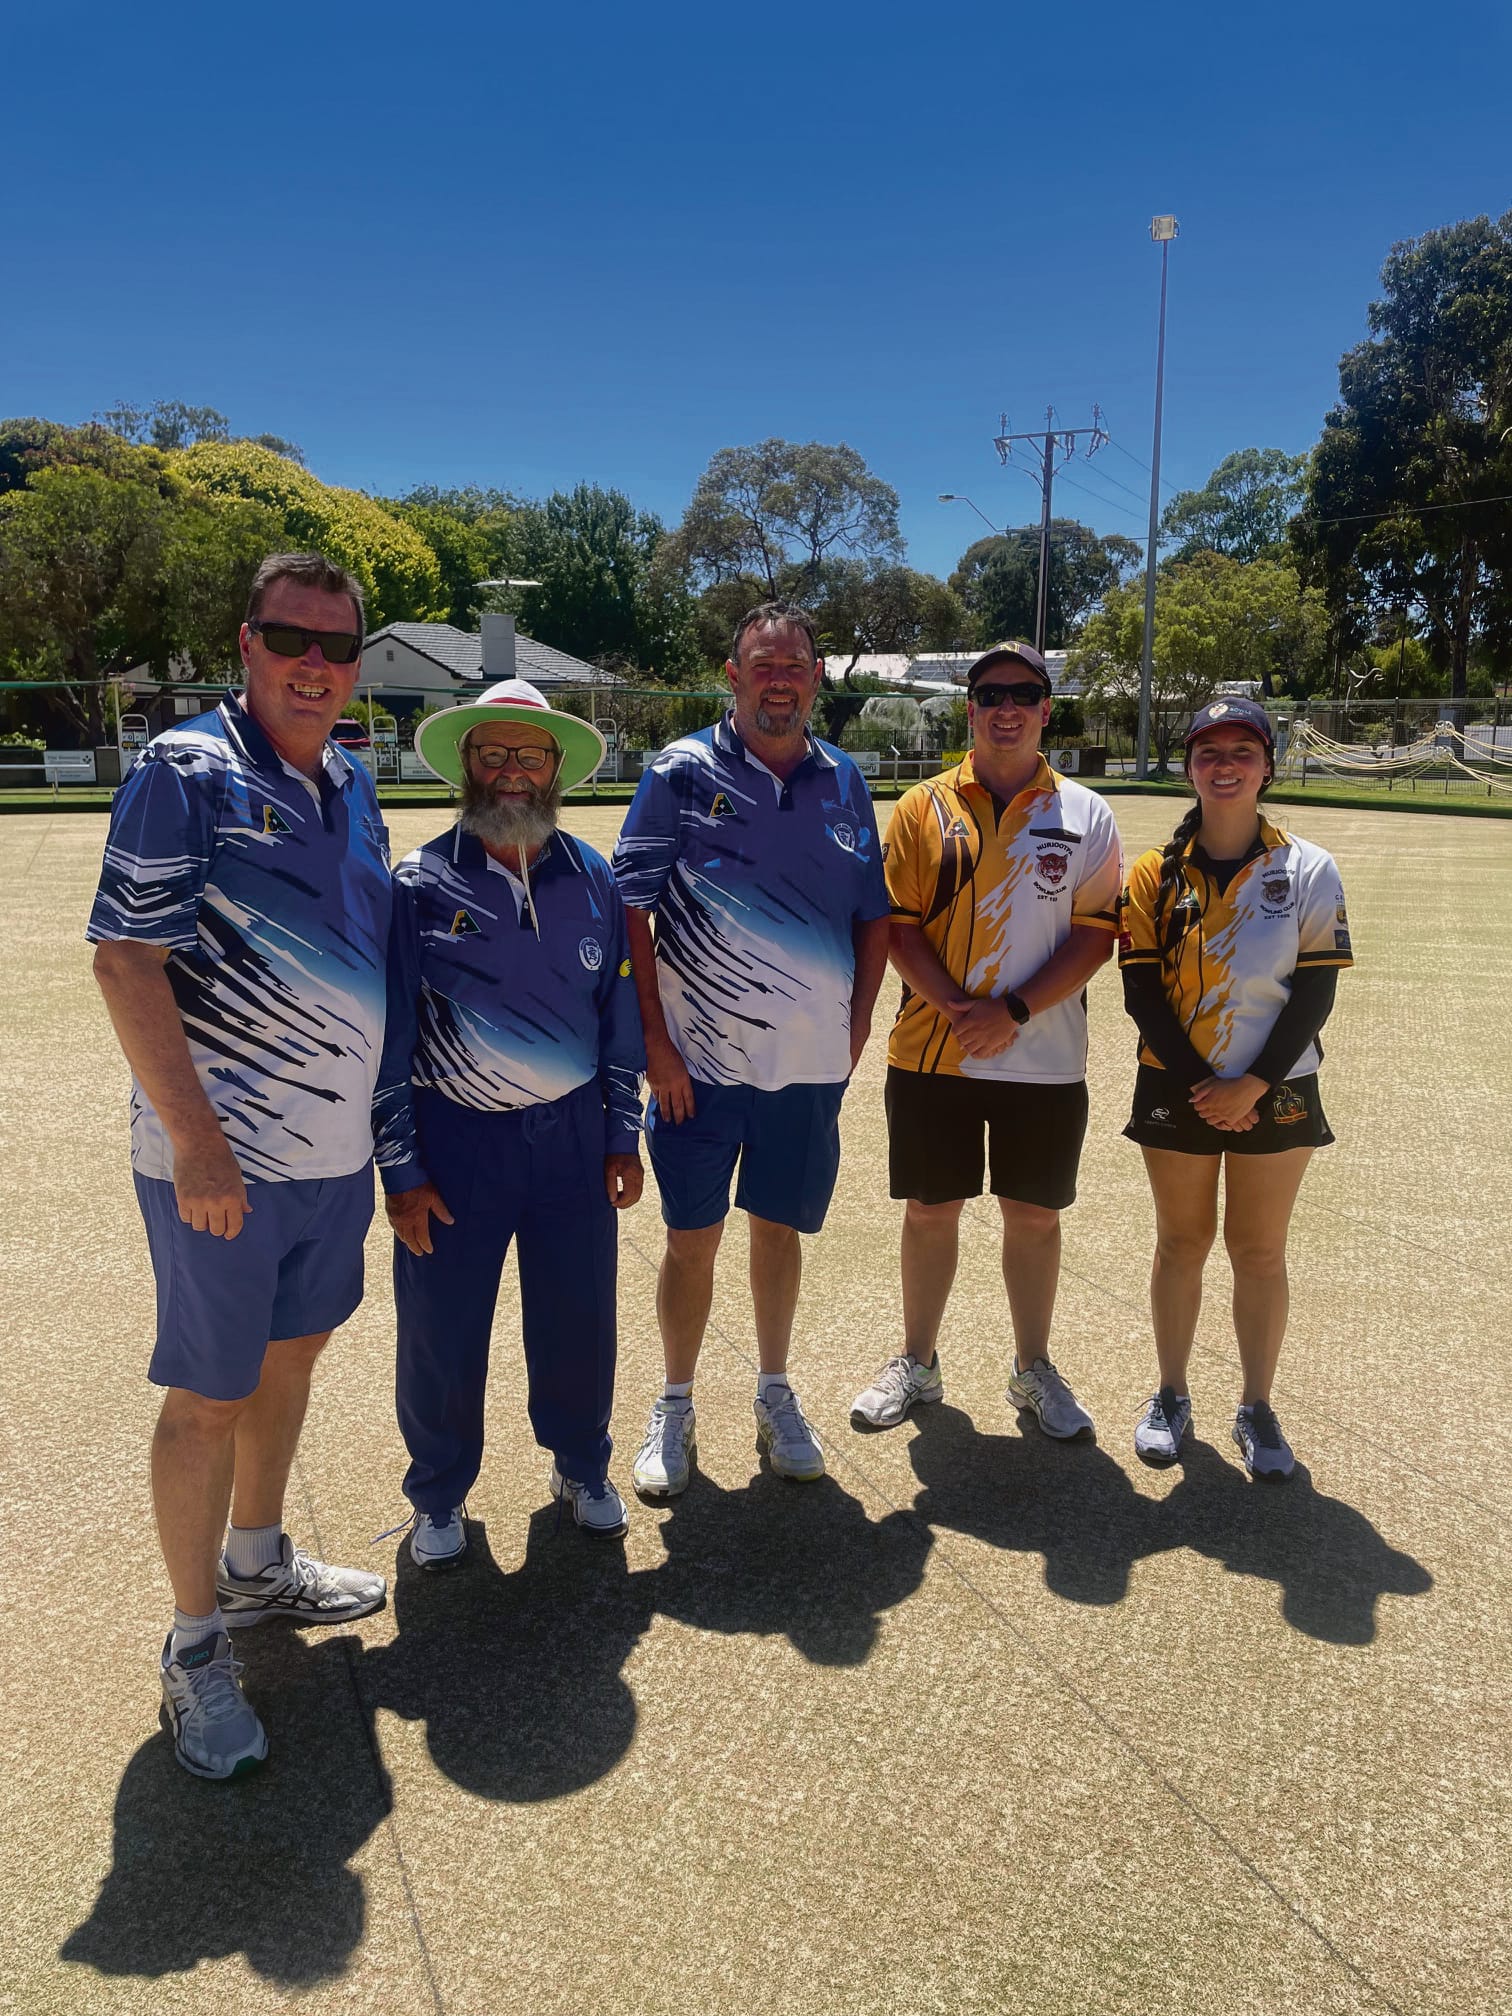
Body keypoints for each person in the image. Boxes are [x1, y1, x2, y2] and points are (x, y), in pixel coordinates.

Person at [88, 552, 392, 1780]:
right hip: (222, 1168)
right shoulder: (184, 771)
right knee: (208, 1398)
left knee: (290, 1357)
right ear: (247, 643)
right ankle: (196, 1646)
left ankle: (258, 1567)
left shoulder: (356, 783)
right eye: (290, 639)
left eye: (336, 647)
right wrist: (203, 1146)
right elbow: (124, 961)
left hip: (334, 1155)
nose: (314, 666)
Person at [611, 601, 891, 1495]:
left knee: (779, 1230)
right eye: (763, 664)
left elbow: (872, 917)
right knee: (692, 1239)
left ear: (816, 678)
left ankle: (775, 1395)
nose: (781, 679)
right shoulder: (679, 772)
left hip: (806, 1072)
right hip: (699, 1070)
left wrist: (854, 1031)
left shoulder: (845, 779)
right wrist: (656, 1043)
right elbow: (632, 910)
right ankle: (676, 1402)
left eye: (796, 664)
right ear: (733, 676)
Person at [376, 679, 645, 1563]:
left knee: (579, 1318)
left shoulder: (593, 876)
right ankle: (440, 1494)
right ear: (467, 764)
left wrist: (620, 1132)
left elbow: (618, 1016)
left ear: (557, 768)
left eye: (531, 755)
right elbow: (390, 1035)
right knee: (442, 1330)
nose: (512, 773)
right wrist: (402, 1170)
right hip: (456, 1144)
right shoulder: (416, 883)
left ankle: (581, 1463)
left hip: (569, 1140)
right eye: (493, 754)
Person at [850, 641, 1122, 1441]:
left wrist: (1014, 1012)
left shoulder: (1085, 813)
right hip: (934, 1050)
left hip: (1044, 1056)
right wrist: (964, 1009)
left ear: (1045, 710)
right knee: (932, 1210)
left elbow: (1096, 935)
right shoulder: (921, 807)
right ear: (970, 709)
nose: (1007, 707)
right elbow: (896, 927)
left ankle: (1032, 1366)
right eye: (991, 693)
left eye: (1024, 693)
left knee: (1033, 1216)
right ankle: (918, 1362)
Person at [1118, 697, 1353, 1479]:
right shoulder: (1154, 873)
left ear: (1267, 766)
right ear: (1189, 767)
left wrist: (1250, 1084)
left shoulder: (1308, 867)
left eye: (1241, 752)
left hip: (1281, 1088)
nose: (1224, 765)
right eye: (1208, 751)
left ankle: (1256, 1405)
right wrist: (1205, 1087)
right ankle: (1172, 1393)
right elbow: (1142, 995)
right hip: (1178, 1088)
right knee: (1181, 1244)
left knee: (1258, 1251)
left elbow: (1315, 994)